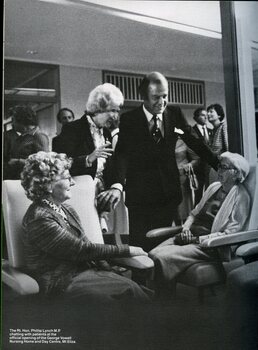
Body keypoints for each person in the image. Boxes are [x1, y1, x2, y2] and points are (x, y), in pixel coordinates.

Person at [97, 72, 219, 252]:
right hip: (140, 196)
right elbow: (122, 155)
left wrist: (219, 164)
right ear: (143, 97)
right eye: (156, 97)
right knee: (140, 245)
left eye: (165, 96)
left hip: (168, 193)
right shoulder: (130, 119)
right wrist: (117, 185)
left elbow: (195, 141)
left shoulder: (174, 113)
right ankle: (140, 279)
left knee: (162, 248)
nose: (162, 102)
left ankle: (162, 277)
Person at [21, 151, 150, 303]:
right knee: (118, 300)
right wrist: (127, 250)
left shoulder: (66, 208)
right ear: (48, 185)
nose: (73, 182)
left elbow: (85, 244)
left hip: (83, 273)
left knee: (132, 290)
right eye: (67, 178)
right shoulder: (38, 218)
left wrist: (107, 270)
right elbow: (80, 250)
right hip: (60, 282)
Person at [149, 152, 250, 294]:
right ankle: (163, 294)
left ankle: (163, 300)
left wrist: (198, 239)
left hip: (210, 245)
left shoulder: (241, 197)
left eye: (223, 167)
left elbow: (231, 233)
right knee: (152, 253)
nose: (218, 171)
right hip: (190, 236)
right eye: (219, 166)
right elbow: (193, 213)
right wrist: (186, 229)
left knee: (160, 257)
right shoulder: (214, 187)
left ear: (236, 173)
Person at [3, 105, 49, 180]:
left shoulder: (39, 136)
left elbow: (44, 163)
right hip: (19, 178)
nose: (12, 124)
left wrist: (18, 161)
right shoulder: (24, 136)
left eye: (13, 120)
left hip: (30, 180)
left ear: (22, 121)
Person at [175, 137, 200, 225]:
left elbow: (196, 159)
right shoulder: (163, 141)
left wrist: (188, 165)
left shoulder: (183, 141)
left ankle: (186, 228)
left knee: (184, 207)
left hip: (183, 178)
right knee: (174, 208)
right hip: (169, 178)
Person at [192, 107, 212, 204]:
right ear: (196, 117)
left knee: (211, 190)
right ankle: (197, 214)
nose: (206, 117)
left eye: (206, 115)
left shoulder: (210, 130)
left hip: (210, 166)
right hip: (198, 166)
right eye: (203, 115)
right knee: (198, 193)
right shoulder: (191, 131)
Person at [207, 103, 229, 184]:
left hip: (222, 167)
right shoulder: (212, 130)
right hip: (214, 166)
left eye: (211, 111)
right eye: (207, 112)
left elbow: (227, 148)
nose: (208, 114)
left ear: (219, 115)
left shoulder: (223, 127)